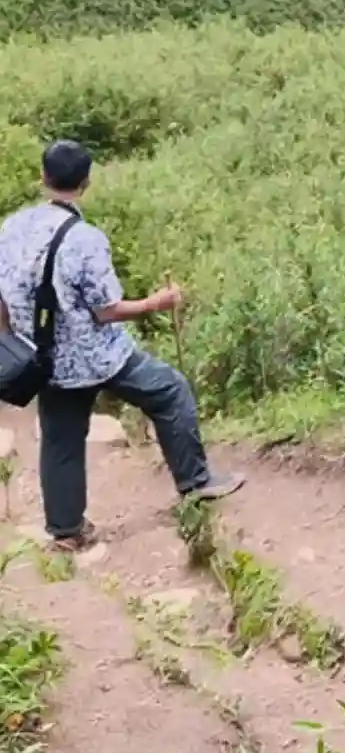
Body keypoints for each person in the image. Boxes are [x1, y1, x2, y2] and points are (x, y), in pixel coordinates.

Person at [0, 140, 244, 552]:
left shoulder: (11, 228)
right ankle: (196, 483)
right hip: (99, 356)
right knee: (169, 391)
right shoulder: (86, 239)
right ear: (86, 182)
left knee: (60, 442)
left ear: (43, 177)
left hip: (44, 361)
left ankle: (66, 531)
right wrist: (157, 303)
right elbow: (107, 311)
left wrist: (8, 336)